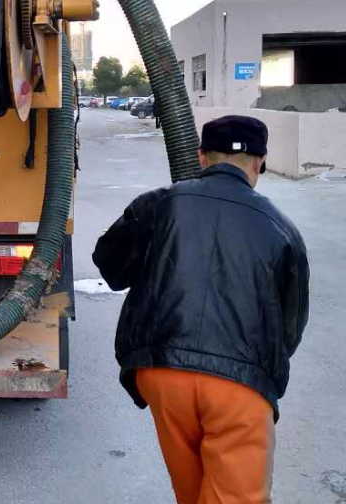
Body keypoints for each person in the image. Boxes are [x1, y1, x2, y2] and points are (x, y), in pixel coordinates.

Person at [93, 115, 309, 504]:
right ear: (260, 162)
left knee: (191, 491)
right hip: (239, 384)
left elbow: (110, 265)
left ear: (202, 156)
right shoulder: (280, 227)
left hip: (161, 372)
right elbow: (291, 323)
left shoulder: (160, 203)